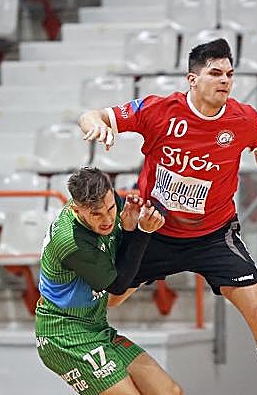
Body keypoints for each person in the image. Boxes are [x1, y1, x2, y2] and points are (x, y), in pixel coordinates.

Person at [77, 38, 257, 394]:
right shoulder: (159, 110)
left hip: (214, 235)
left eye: (229, 74)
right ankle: (88, 357)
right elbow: (92, 115)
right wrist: (96, 125)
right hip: (155, 231)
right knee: (108, 300)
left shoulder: (243, 119)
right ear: (192, 79)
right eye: (215, 73)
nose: (225, 80)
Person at [35, 167, 177, 395]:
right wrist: (141, 231)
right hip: (63, 334)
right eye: (96, 214)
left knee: (169, 391)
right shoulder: (72, 242)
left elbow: (123, 253)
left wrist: (130, 227)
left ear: (111, 193)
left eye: (111, 208)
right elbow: (117, 287)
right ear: (76, 209)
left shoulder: (111, 202)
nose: (108, 219)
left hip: (96, 325)